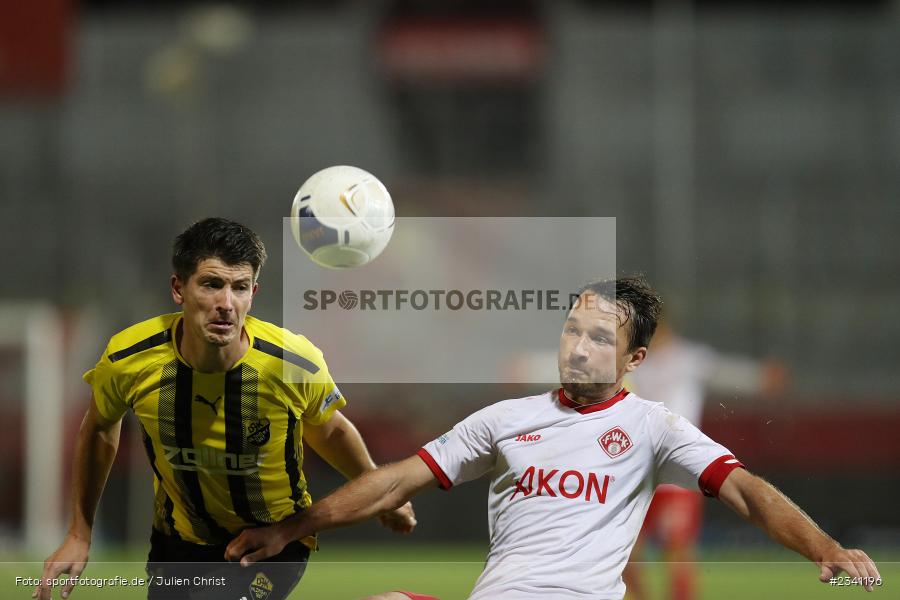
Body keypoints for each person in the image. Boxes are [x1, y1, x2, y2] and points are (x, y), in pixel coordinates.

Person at [223, 276, 880, 599]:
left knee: (674, 555)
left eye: (600, 338)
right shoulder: (504, 421)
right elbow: (396, 478)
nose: (579, 346)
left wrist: (823, 546)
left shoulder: (654, 427)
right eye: (572, 330)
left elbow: (745, 491)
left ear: (634, 362)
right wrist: (290, 526)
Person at [35, 217, 416, 600]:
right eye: (212, 285)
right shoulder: (130, 358)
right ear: (178, 289)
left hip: (273, 541)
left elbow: (330, 429)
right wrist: (78, 534)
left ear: (253, 292)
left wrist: (380, 491)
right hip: (178, 544)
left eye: (239, 288)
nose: (226, 304)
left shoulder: (293, 363)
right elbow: (100, 427)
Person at [622, 315, 788, 600]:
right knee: (625, 553)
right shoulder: (632, 361)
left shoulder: (688, 358)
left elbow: (723, 371)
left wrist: (760, 377)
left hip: (678, 468)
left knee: (677, 548)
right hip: (637, 472)